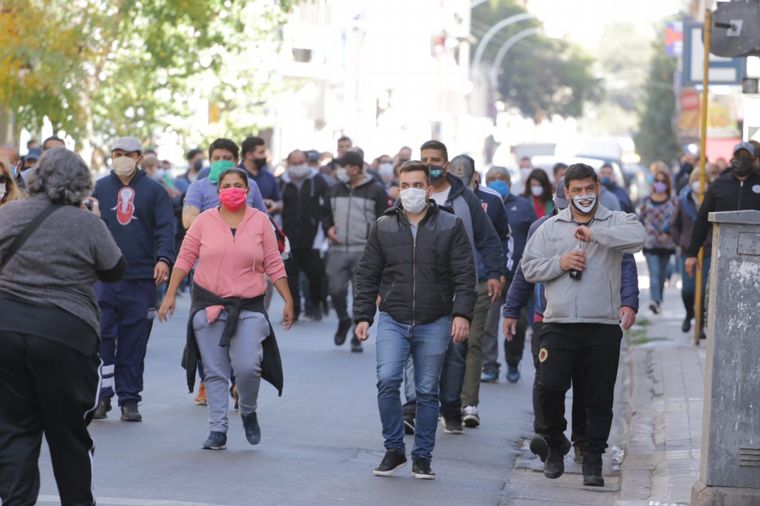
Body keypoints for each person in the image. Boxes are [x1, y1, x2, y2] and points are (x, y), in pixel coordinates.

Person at [0, 147, 125, 506]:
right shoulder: (87, 223)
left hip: (6, 329)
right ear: (82, 183)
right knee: (68, 432)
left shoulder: (8, 214)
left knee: (14, 430)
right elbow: (115, 270)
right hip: (64, 334)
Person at [521, 163, 645, 486]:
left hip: (602, 324)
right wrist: (560, 263)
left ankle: (593, 460)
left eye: (589, 189)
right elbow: (529, 267)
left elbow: (638, 236)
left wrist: (596, 234)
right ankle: (556, 442)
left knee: (598, 396)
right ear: (566, 193)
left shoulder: (615, 220)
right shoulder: (551, 227)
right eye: (577, 190)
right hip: (559, 323)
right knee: (548, 386)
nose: (584, 195)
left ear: (598, 189)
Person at [353, 161, 476, 480]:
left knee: (425, 390)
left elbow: (465, 274)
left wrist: (461, 314)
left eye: (417, 185)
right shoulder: (383, 225)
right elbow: (367, 273)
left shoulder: (450, 225)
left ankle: (422, 457)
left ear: (429, 189)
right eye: (404, 185)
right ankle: (394, 449)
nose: (410, 191)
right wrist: (363, 315)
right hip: (393, 318)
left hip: (435, 318)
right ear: (397, 188)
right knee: (388, 380)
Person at [158, 168, 293, 450]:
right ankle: (218, 429)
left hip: (249, 306)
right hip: (209, 304)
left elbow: (273, 262)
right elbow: (184, 258)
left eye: (238, 185)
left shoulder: (260, 221)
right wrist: (170, 295)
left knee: (247, 366)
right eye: (226, 185)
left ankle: (248, 408)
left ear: (247, 191)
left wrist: (288, 300)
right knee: (214, 371)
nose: (232, 189)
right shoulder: (204, 221)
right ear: (218, 191)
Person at [403, 140, 503, 435]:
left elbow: (487, 237)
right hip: (420, 287)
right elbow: (389, 238)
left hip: (460, 286)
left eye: (435, 159)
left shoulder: (464, 198)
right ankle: (414, 408)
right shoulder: (411, 196)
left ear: (445, 164)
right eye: (425, 159)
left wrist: (495, 272)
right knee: (416, 346)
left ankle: (451, 406)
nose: (430, 164)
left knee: (456, 348)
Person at [92, 137, 176, 422]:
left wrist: (163, 259)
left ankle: (129, 399)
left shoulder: (154, 191)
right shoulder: (100, 188)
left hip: (141, 278)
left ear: (139, 158)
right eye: (117, 154)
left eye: (127, 154)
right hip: (103, 276)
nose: (122, 159)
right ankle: (102, 396)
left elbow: (165, 229)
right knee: (101, 337)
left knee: (134, 340)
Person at [448, 154, 510, 428]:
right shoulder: (439, 197)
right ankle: (444, 400)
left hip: (480, 281)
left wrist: (498, 273)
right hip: (444, 282)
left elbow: (498, 240)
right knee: (447, 343)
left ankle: (468, 402)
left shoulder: (490, 201)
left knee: (472, 340)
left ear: (475, 177)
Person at [324, 150, 387, 352]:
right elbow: (325, 214)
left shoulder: (376, 189)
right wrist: (328, 227)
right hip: (338, 247)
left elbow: (382, 218)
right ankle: (343, 318)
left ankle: (356, 334)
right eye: (344, 166)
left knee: (360, 293)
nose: (347, 170)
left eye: (351, 166)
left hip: (364, 249)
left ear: (360, 167)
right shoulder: (334, 189)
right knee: (335, 289)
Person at [481, 166, 538, 383]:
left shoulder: (523, 206)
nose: (497, 182)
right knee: (488, 321)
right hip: (492, 274)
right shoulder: (483, 205)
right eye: (492, 179)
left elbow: (535, 237)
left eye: (501, 179)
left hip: (518, 276)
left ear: (509, 182)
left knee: (518, 323)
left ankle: (513, 361)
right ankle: (490, 365)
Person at [685, 142, 760, 277]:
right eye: (738, 156)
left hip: (756, 258)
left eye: (746, 156)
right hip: (723, 255)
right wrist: (692, 253)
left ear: (755, 160)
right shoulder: (718, 185)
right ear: (732, 159)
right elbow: (702, 219)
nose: (741, 160)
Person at [279, 149, 332, 321]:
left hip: (312, 237)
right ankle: (294, 309)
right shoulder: (283, 182)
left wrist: (325, 228)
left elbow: (327, 205)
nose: (298, 166)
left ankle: (316, 305)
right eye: (294, 163)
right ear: (289, 164)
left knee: (316, 275)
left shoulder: (317, 180)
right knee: (290, 277)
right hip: (288, 237)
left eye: (301, 162)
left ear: (307, 162)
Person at [182, 138, 267, 230]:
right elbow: (188, 221)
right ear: (210, 161)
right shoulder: (198, 187)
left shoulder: (251, 185)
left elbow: (264, 219)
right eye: (217, 158)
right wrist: (223, 230)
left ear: (236, 161)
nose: (221, 162)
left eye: (227, 158)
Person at [671, 170, 711, 334]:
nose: (699, 183)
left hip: (707, 249)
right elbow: (674, 224)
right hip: (688, 250)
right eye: (696, 179)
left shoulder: (712, 200)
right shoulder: (683, 201)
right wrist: (680, 241)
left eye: (703, 180)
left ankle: (700, 324)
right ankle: (689, 314)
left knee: (703, 291)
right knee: (688, 289)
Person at [638, 163, 677, 314]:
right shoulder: (646, 200)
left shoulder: (673, 200)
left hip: (666, 244)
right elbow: (639, 219)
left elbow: (675, 220)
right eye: (657, 181)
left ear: (667, 183)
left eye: (663, 181)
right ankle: (654, 301)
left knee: (662, 274)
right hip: (650, 244)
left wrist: (670, 231)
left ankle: (658, 300)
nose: (660, 184)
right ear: (653, 183)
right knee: (654, 273)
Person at [239, 136, 282, 214]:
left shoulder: (269, 176)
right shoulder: (234, 175)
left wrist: (275, 205)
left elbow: (279, 202)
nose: (265, 156)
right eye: (261, 152)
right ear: (249, 155)